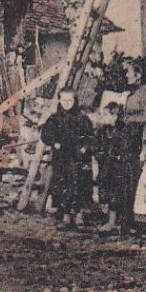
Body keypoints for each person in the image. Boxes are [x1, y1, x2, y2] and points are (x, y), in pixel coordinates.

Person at [101, 56, 146, 235]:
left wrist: (127, 120)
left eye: (129, 72)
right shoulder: (131, 92)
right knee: (115, 180)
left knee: (130, 182)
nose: (126, 75)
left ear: (139, 74)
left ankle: (127, 223)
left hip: (134, 142)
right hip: (121, 141)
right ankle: (113, 221)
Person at [39, 88, 95, 228]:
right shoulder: (55, 118)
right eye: (63, 100)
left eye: (70, 100)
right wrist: (54, 142)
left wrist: (84, 148)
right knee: (62, 184)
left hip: (77, 157)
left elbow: (90, 137)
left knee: (78, 184)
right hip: (61, 156)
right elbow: (45, 134)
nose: (66, 103)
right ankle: (65, 216)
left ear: (75, 100)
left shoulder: (82, 118)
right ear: (59, 100)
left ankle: (79, 215)